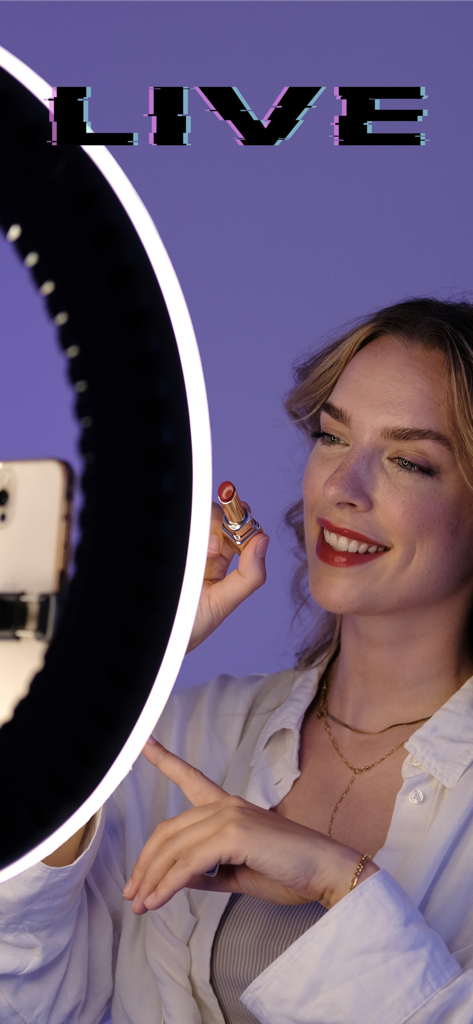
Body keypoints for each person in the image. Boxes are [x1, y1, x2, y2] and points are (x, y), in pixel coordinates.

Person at [2, 297, 473, 1024]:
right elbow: (25, 998)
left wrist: (337, 879)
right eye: (332, 437)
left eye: (408, 461)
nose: (341, 488)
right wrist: (112, 668)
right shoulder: (186, 737)